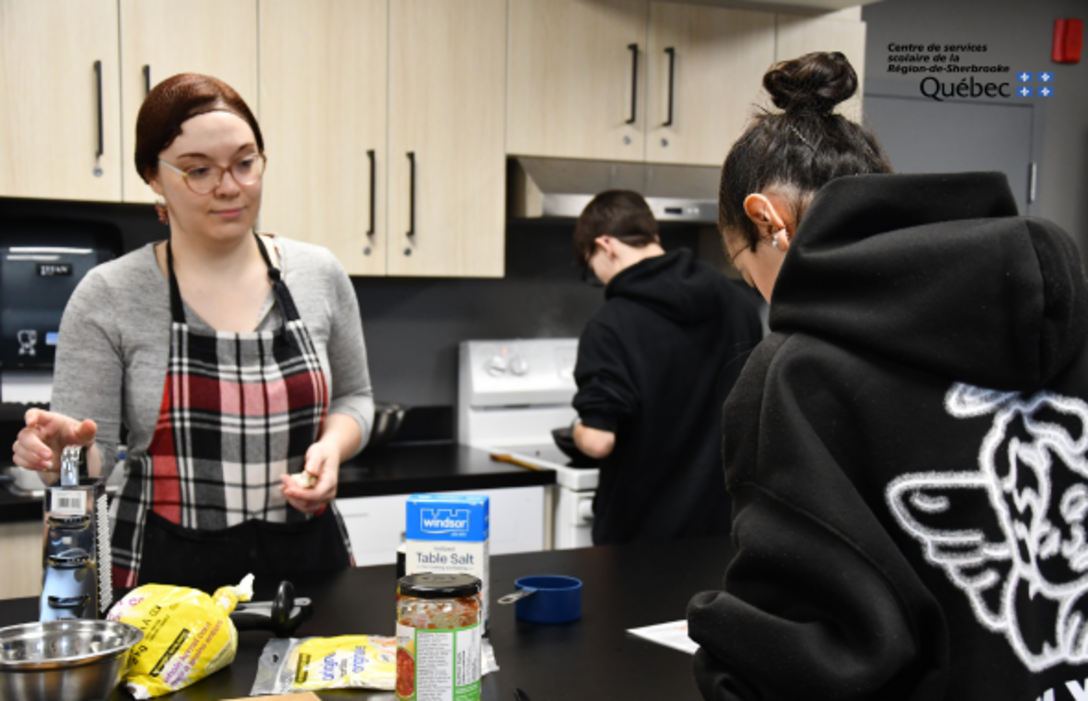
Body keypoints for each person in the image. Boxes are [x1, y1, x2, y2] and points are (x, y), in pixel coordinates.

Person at [687, 51, 1088, 700]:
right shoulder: (1068, 317)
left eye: (743, 264)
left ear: (769, 221)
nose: (760, 294)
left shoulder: (792, 372)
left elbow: (811, 645)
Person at [11, 74, 374, 589]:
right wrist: (58, 454)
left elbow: (356, 398)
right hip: (165, 579)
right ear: (153, 177)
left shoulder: (319, 274)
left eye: (245, 163)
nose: (228, 187)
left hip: (309, 567)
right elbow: (88, 464)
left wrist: (332, 447)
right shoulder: (109, 295)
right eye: (198, 170)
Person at [570, 190, 763, 545]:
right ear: (652, 237)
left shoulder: (610, 325)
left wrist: (577, 430)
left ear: (606, 245)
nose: (598, 278)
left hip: (637, 539)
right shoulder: (738, 303)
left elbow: (598, 441)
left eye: (591, 267)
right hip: (724, 531)